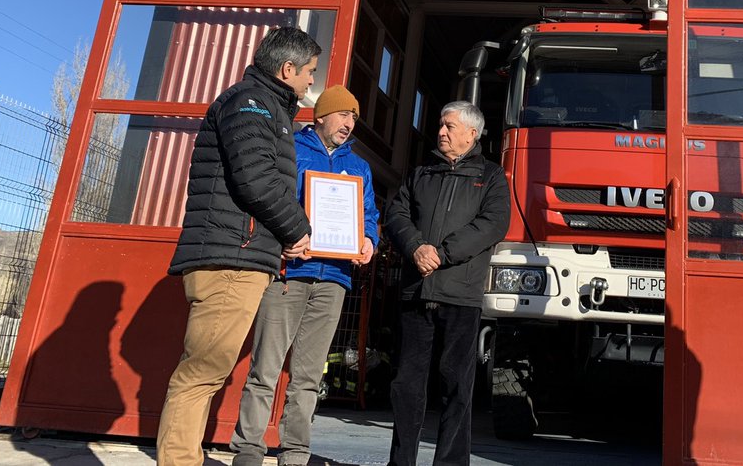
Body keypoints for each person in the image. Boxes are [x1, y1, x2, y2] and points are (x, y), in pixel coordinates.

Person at [156, 26, 320, 466]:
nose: (310, 83)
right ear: (287, 69)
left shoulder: (266, 107)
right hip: (232, 259)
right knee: (201, 374)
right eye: (309, 73)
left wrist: (279, 240)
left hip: (242, 253)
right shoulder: (250, 103)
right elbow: (256, 179)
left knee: (205, 373)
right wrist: (297, 230)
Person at [230, 84, 380, 466]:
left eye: (354, 118)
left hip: (335, 279)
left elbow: (370, 217)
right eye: (344, 114)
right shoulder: (291, 152)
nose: (350, 123)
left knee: (309, 376)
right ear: (321, 116)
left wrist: (368, 239)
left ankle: (295, 452)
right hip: (289, 273)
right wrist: (279, 241)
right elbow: (269, 202)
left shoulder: (359, 167)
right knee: (265, 367)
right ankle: (248, 448)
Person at [383, 101, 511, 466]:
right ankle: (401, 461)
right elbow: (397, 213)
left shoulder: (491, 176)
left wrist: (442, 253)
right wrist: (415, 247)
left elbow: (493, 224)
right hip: (416, 291)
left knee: (456, 385)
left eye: (450, 126)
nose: (441, 131)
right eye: (441, 124)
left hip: (460, 296)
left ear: (472, 133)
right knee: (406, 386)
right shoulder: (421, 172)